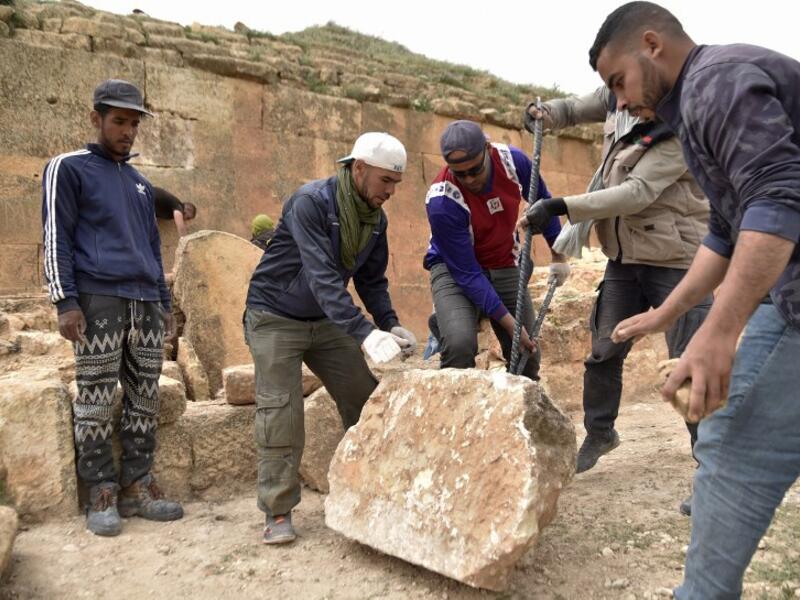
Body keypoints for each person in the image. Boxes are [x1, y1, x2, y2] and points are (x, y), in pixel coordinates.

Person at [589, 2, 800, 597]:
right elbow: (727, 233)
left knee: (730, 440)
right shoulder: (699, 104)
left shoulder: (714, 85)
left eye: (618, 83)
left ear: (651, 45)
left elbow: (777, 202)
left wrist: (718, 331)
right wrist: (670, 312)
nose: (619, 102)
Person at [520, 88, 712, 506]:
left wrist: (559, 206)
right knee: (603, 351)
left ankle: (712, 468)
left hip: (677, 261)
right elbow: (573, 109)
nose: (618, 103)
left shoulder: (680, 127)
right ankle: (601, 432)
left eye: (624, 90)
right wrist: (544, 113)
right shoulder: (619, 96)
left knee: (689, 364)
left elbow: (636, 193)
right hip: (624, 259)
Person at [243, 132, 416, 544]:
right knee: (281, 410)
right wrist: (362, 331)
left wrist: (389, 322)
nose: (390, 192)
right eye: (385, 181)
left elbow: (372, 281)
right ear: (358, 169)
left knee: (364, 397)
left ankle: (371, 489)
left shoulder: (376, 219)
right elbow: (321, 276)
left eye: (396, 183)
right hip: (274, 315)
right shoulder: (312, 203)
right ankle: (278, 509)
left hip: (325, 318)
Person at [42, 79, 183, 537]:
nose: (127, 131)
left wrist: (164, 304)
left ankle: (138, 483)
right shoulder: (68, 169)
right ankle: (101, 489)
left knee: (144, 398)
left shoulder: (141, 184)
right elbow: (55, 238)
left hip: (144, 301)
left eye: (133, 123)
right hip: (98, 299)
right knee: (97, 399)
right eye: (119, 120)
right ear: (95, 118)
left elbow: (150, 247)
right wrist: (65, 301)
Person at [423, 120, 570, 381]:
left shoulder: (513, 162)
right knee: (459, 346)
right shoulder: (441, 201)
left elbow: (543, 202)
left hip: (503, 261)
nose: (469, 179)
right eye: (460, 174)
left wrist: (558, 253)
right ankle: (453, 321)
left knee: (527, 355)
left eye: (475, 170)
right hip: (454, 270)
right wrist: (512, 327)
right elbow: (468, 275)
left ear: (488, 149)